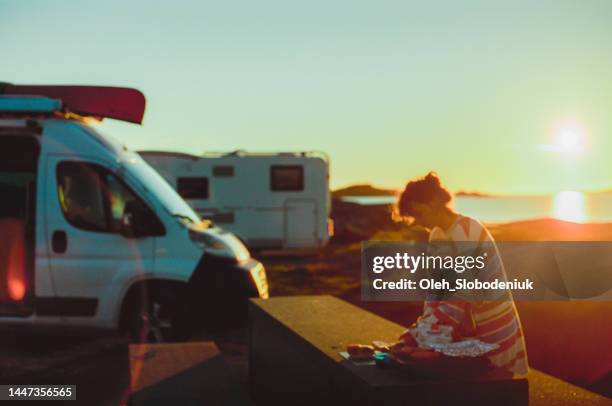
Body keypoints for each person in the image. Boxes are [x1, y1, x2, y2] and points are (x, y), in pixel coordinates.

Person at [396, 172, 528, 375]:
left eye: (419, 213)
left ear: (433, 202)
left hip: (492, 328)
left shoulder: (468, 231)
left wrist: (426, 333)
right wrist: (423, 327)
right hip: (467, 329)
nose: (418, 221)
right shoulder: (437, 234)